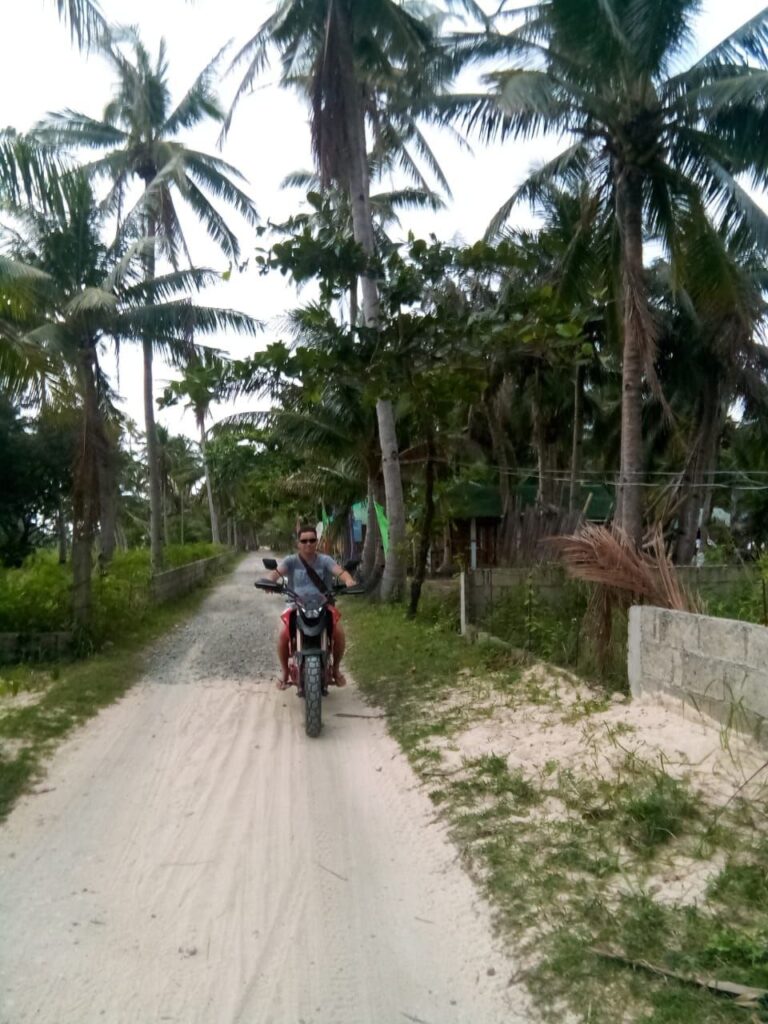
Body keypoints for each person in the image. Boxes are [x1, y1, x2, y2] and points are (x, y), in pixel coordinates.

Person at [266, 525, 355, 691]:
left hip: (323, 604)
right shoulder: (291, 561)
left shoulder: (325, 560)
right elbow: (275, 573)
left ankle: (335, 669)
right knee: (282, 635)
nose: (308, 544)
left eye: (312, 540)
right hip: (295, 605)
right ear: (298, 543)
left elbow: (340, 572)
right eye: (304, 541)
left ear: (317, 542)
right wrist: (269, 582)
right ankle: (285, 672)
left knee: (339, 633)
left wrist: (348, 580)